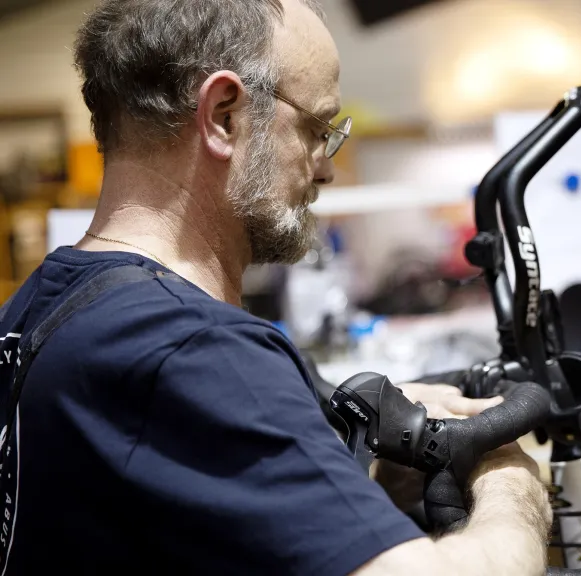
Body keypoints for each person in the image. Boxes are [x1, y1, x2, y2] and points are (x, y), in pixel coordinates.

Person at [0, 0, 552, 574]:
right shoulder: (191, 350)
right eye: (317, 129)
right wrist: (511, 486)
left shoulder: (41, 306)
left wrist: (358, 487)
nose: (326, 169)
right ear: (224, 116)